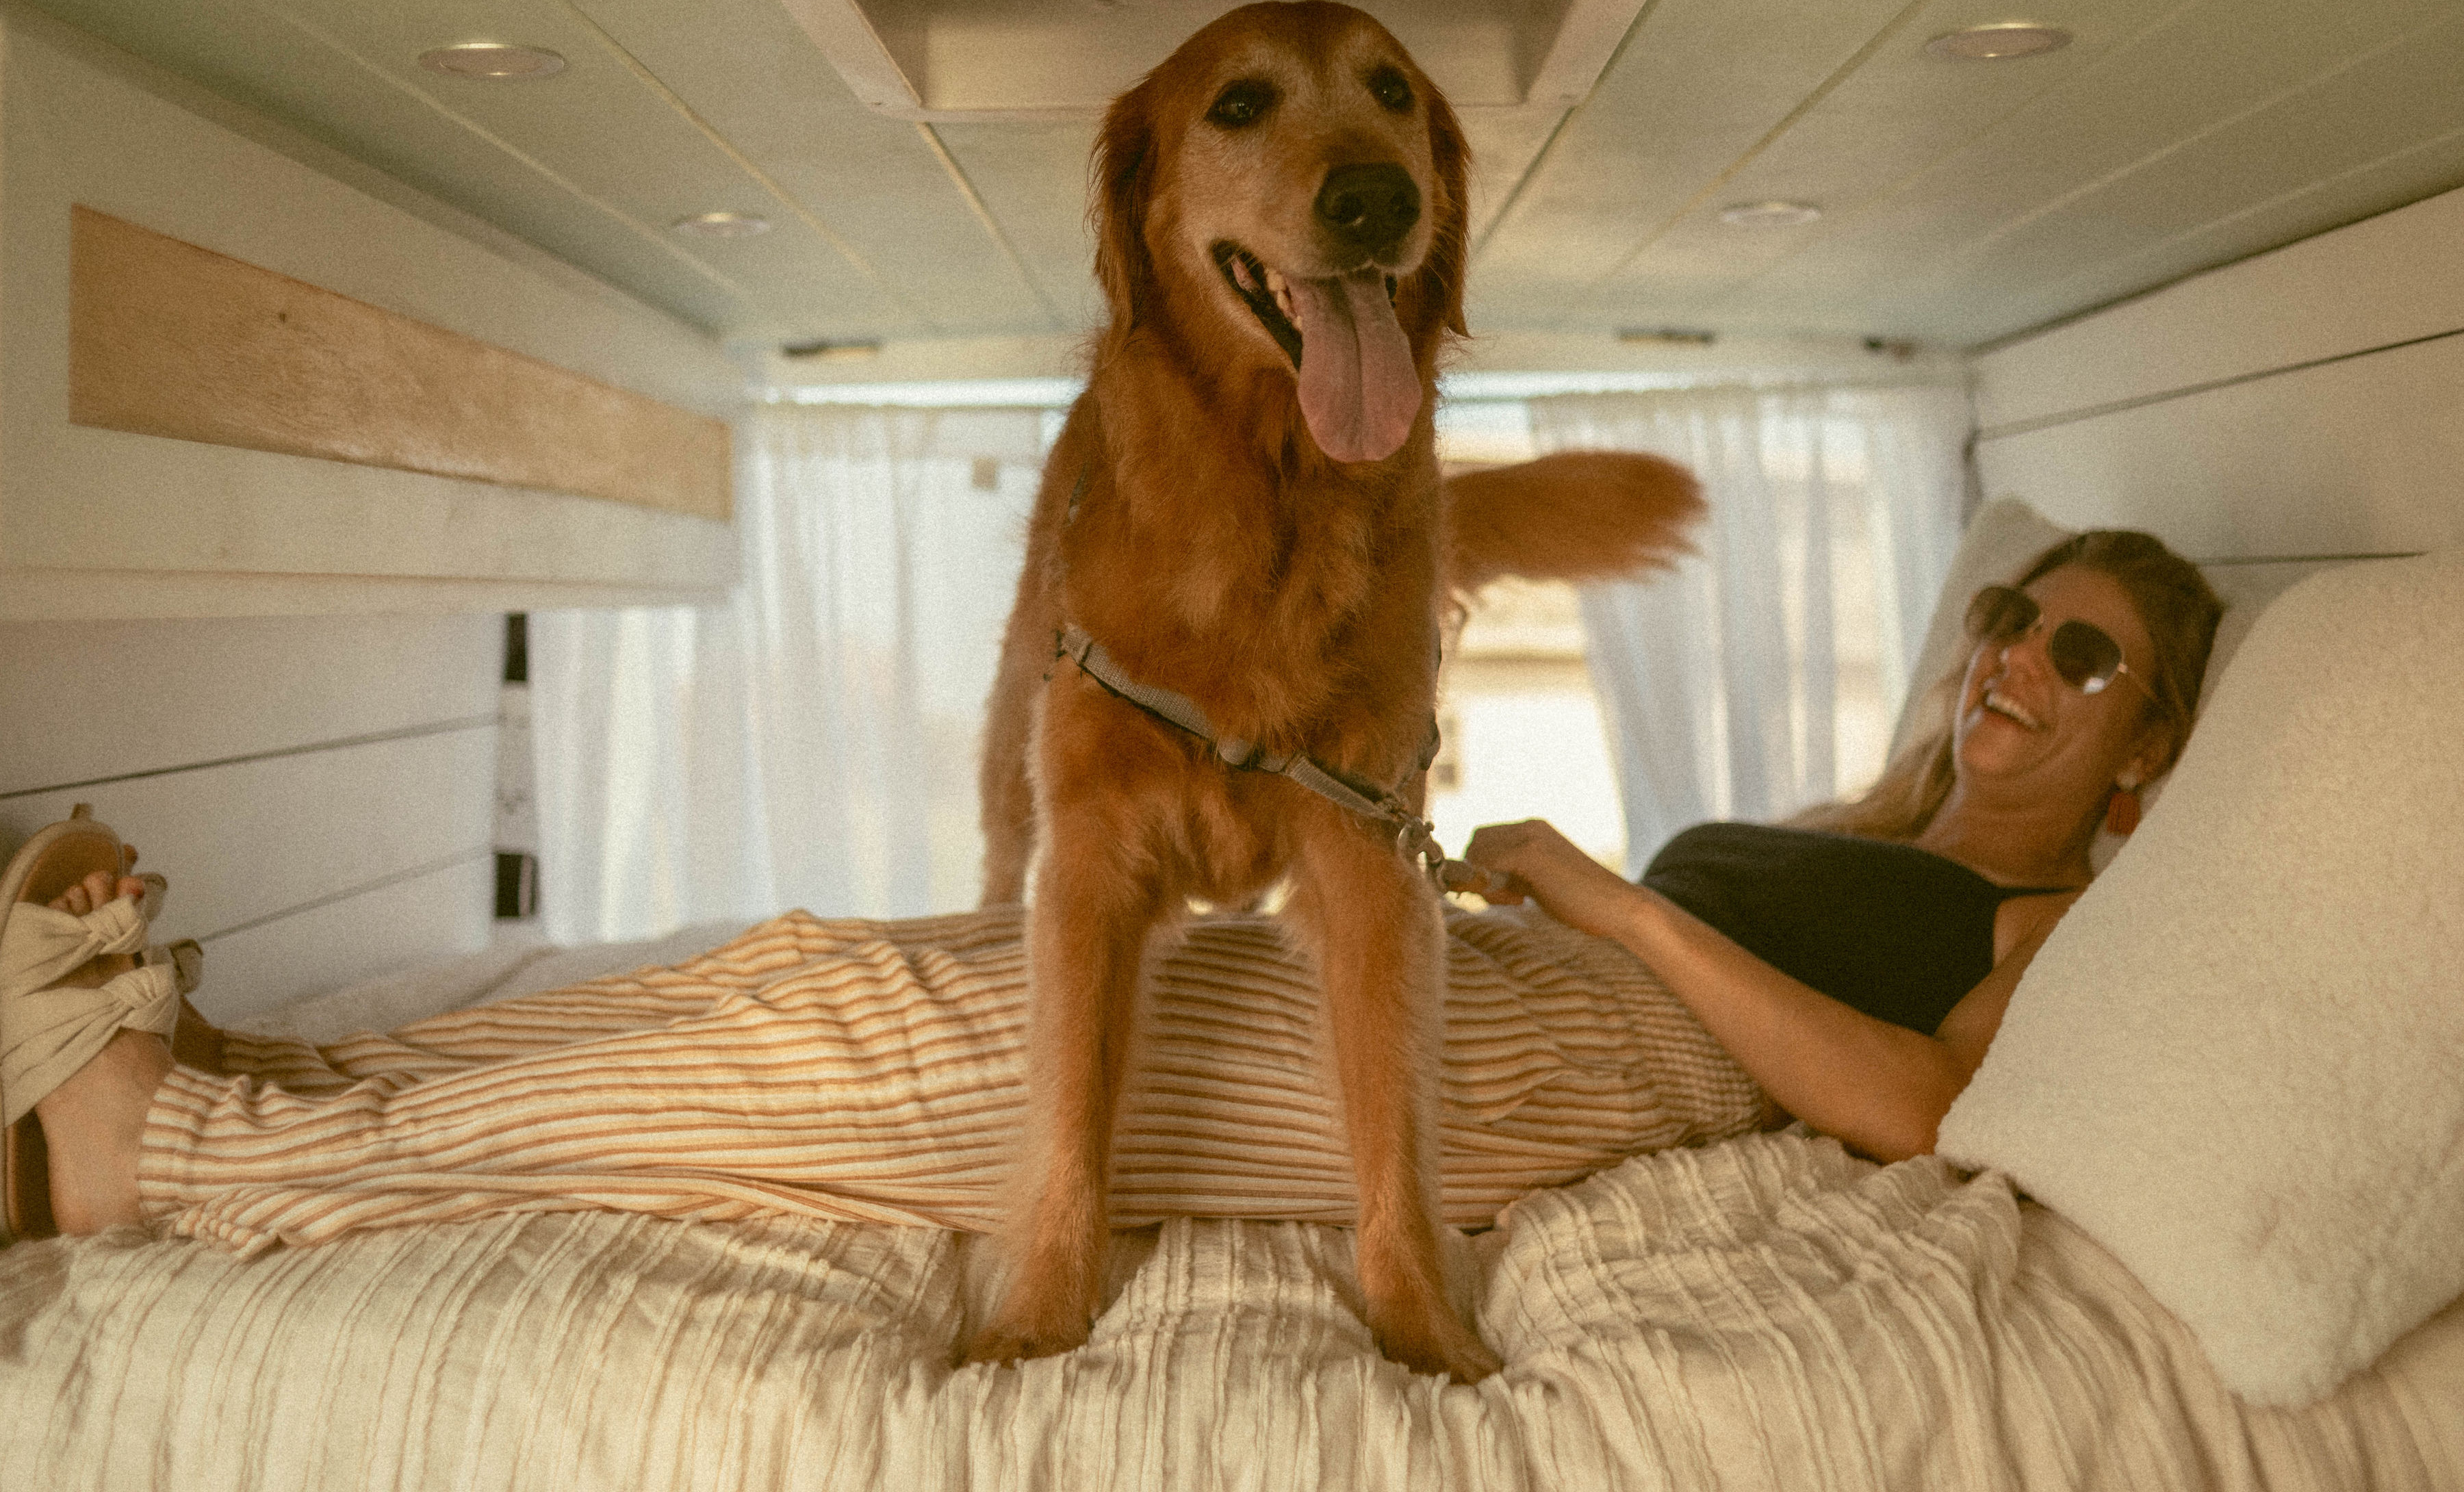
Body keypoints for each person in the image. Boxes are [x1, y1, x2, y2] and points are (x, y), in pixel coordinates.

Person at [4, 530, 2221, 1251]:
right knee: (842, 966)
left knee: (886, 1064)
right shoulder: (1857, 844)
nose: (2014, 658)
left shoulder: (2032, 931)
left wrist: (1626, 915)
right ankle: (267, 1073)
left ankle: (174, 1159)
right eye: (2017, 614)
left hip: (1571, 1055)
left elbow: (1919, 1121)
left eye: (2082, 653)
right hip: (1482, 981)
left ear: (2147, 752)